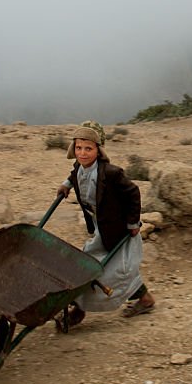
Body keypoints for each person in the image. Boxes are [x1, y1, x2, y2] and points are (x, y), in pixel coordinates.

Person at [53, 121, 154, 332]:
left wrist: (133, 223)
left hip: (119, 229)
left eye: (88, 148)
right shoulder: (79, 168)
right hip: (101, 228)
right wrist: (66, 185)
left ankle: (80, 310)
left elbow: (133, 193)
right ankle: (144, 299)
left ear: (99, 150)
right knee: (88, 265)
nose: (83, 153)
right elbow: (74, 175)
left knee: (115, 271)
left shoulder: (111, 173)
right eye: (79, 148)